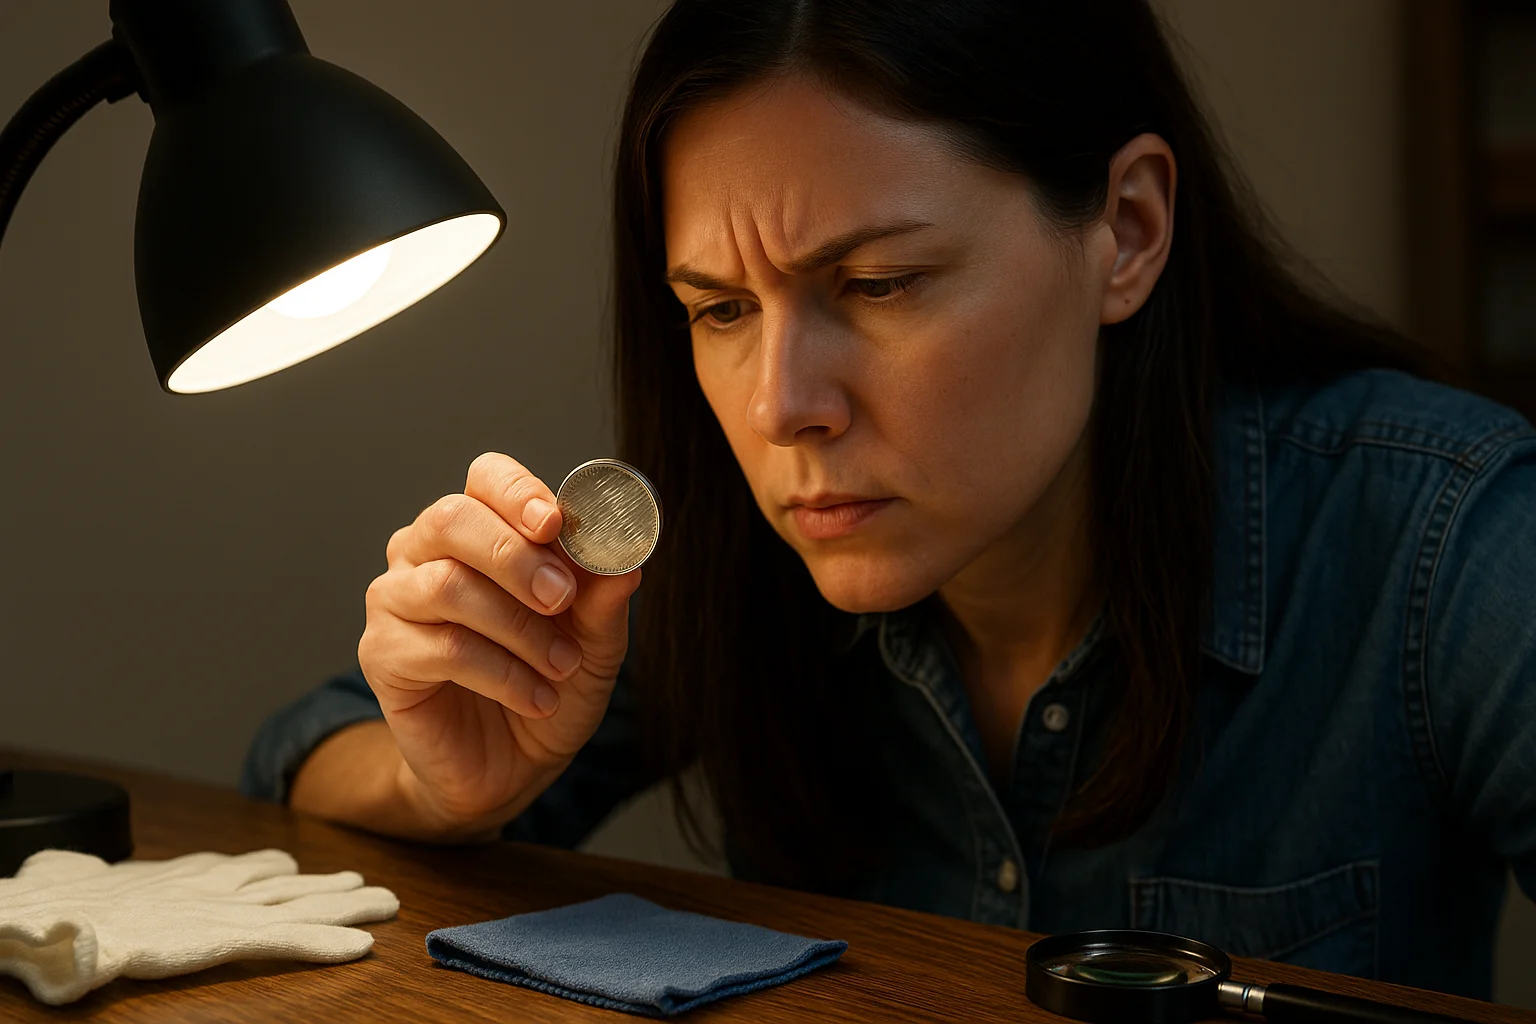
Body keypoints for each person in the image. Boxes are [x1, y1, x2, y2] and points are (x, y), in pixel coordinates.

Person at [240, 0, 1536, 1000]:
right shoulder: (718, 562)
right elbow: (305, 757)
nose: (778, 405)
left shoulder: (1444, 543)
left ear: (1127, 231)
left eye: (879, 283)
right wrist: (446, 781)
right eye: (720, 310)